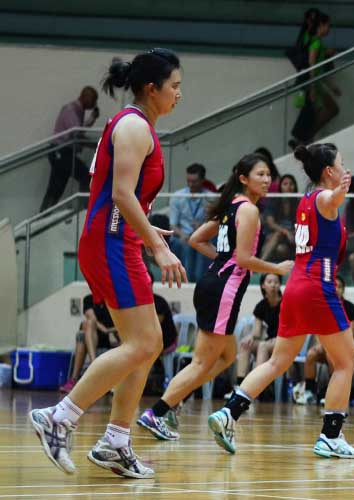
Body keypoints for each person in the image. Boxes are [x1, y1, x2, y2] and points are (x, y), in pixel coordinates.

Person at [30, 49, 186, 479]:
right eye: (174, 86)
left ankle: (115, 441)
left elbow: (123, 198)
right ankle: (59, 418)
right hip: (111, 243)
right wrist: (156, 244)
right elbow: (120, 195)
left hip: (117, 240)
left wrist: (148, 232)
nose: (179, 94)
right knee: (142, 344)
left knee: (148, 342)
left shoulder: (133, 125)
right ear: (151, 88)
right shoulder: (135, 126)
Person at [207, 143, 354, 459]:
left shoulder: (305, 201)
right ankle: (331, 436)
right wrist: (342, 192)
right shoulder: (323, 197)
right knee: (346, 362)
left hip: (295, 288)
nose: (345, 169)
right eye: (342, 164)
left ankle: (229, 412)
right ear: (329, 172)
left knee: (278, 361)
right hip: (318, 289)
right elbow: (331, 200)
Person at [138, 154, 292, 441]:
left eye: (269, 174)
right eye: (260, 174)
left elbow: (197, 240)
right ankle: (158, 412)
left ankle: (176, 399)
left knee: (227, 355)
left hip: (213, 283)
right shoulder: (247, 210)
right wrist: (276, 268)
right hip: (224, 289)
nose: (267, 179)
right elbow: (244, 259)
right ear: (244, 178)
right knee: (201, 362)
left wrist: (224, 261)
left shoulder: (230, 206)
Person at [296, 275, 354, 405]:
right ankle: (309, 392)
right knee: (311, 354)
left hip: (346, 346)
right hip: (327, 345)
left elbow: (350, 333)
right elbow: (318, 331)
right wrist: (319, 345)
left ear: (343, 290)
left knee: (330, 353)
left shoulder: (349, 307)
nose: (336, 289)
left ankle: (334, 393)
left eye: (339, 286)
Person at [39, 86, 100, 212]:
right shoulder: (71, 110)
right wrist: (94, 145)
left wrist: (92, 119)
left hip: (62, 153)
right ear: (85, 97)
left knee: (56, 189)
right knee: (85, 176)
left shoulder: (78, 110)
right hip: (61, 152)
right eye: (93, 100)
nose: (94, 104)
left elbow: (78, 130)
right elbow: (76, 135)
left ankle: (42, 217)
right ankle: (84, 209)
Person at [234, 273, 283, 393]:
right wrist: (250, 337)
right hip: (269, 341)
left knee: (262, 346)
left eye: (276, 282)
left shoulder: (285, 303)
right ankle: (240, 386)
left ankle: (256, 386)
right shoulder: (261, 306)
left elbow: (289, 327)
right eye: (269, 282)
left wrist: (278, 339)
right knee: (245, 344)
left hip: (284, 340)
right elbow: (256, 331)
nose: (273, 285)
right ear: (263, 285)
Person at [60, 294, 119, 393]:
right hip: (91, 339)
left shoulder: (113, 300)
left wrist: (109, 331)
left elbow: (119, 326)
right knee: (86, 325)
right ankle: (92, 363)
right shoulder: (89, 299)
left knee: (84, 329)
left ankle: (76, 378)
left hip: (106, 341)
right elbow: (92, 319)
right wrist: (106, 329)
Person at [169, 163, 212, 282]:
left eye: (195, 181)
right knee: (187, 244)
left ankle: (200, 280)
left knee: (200, 244)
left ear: (203, 180)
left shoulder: (211, 197)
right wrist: (183, 235)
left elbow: (215, 223)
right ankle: (186, 279)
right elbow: (173, 225)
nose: (190, 185)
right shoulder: (178, 196)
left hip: (203, 236)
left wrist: (203, 227)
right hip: (182, 236)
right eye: (188, 181)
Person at [260, 174, 298, 260]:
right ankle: (261, 262)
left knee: (282, 250)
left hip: (293, 236)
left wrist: (294, 233)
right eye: (285, 184)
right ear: (280, 187)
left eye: (291, 184)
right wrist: (286, 232)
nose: (289, 186)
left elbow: (300, 222)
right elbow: (271, 223)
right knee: (280, 247)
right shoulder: (274, 200)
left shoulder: (298, 202)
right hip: (275, 234)